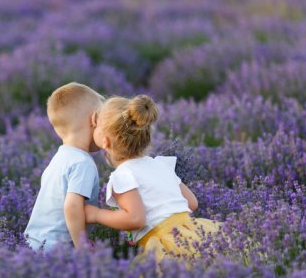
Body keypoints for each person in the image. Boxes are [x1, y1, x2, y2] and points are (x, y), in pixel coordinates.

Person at [85, 94, 221, 262]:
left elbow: (136, 219)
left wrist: (96, 215)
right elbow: (192, 203)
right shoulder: (161, 165)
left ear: (105, 142)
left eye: (96, 126)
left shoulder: (123, 176)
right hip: (195, 232)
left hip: (166, 244)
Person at [24, 82, 104, 251]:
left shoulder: (60, 158)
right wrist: (81, 245)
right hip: (57, 250)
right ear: (94, 119)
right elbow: (72, 206)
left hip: (33, 243)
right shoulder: (83, 163)